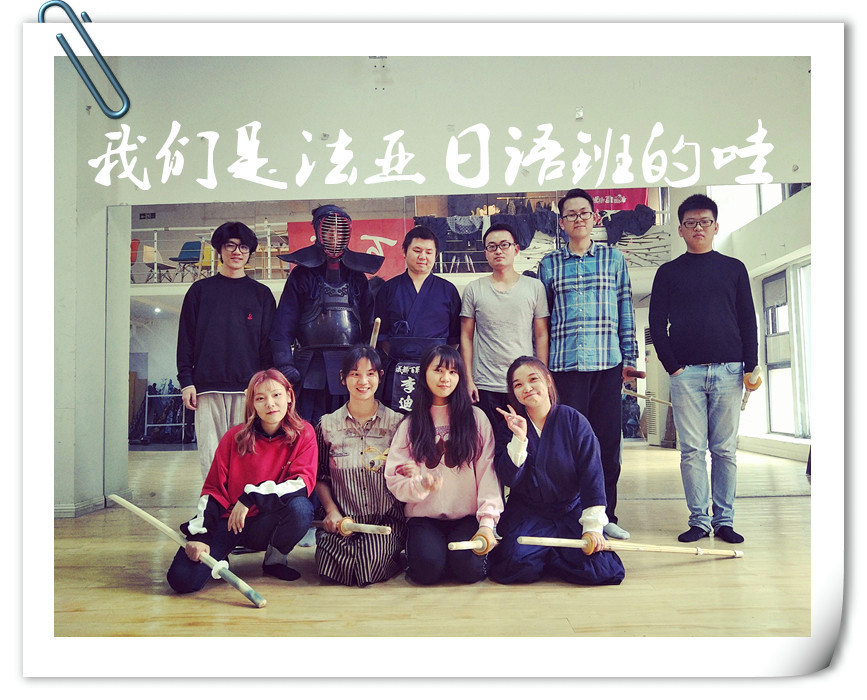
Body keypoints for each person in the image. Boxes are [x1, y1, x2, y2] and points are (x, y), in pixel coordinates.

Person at [648, 194, 758, 544]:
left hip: (730, 371)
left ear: (716, 226)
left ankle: (724, 520)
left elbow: (748, 319)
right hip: (687, 374)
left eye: (705, 222)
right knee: (692, 451)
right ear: (680, 229)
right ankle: (699, 520)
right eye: (691, 223)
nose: (699, 227)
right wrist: (672, 367)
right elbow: (656, 323)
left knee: (724, 450)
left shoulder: (734, 268)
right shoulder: (668, 272)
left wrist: (750, 365)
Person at [537, 188, 638, 540]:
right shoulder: (549, 264)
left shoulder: (614, 259)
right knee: (568, 445)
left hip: (607, 364)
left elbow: (625, 308)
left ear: (595, 218)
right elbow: (543, 321)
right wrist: (542, 369)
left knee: (607, 444)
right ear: (561, 222)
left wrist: (630, 358)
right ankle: (572, 514)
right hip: (564, 368)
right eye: (570, 214)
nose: (578, 219)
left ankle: (606, 514)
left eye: (584, 213)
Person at [166, 369, 317, 593]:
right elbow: (213, 490)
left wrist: (250, 497)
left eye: (276, 395)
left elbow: (301, 483)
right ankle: (221, 552)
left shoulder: (304, 434)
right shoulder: (234, 437)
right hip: (229, 522)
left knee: (301, 509)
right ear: (252, 403)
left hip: (267, 523)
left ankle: (275, 560)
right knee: (182, 580)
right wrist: (201, 535)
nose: (270, 404)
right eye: (260, 398)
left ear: (289, 396)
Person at [488, 356, 625, 585]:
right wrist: (520, 439)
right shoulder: (509, 427)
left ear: (548, 380)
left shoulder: (574, 421)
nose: (527, 388)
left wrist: (592, 528)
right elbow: (509, 477)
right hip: (528, 512)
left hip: (570, 510)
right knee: (516, 564)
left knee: (599, 568)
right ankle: (553, 555)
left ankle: (547, 555)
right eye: (518, 384)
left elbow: (592, 476)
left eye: (533, 379)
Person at [384, 345, 503, 585]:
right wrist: (420, 485)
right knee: (426, 571)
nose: (445, 378)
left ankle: (451, 559)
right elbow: (395, 478)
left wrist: (487, 524)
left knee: (469, 571)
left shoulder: (476, 419)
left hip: (467, 517)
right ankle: (437, 557)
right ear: (424, 373)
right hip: (424, 517)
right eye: (438, 370)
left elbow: (488, 474)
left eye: (452, 371)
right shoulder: (411, 424)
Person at [176, 221, 276, 480]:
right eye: (230, 245)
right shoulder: (199, 291)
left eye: (243, 247)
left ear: (250, 253)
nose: (237, 252)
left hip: (247, 390)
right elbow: (185, 339)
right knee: (211, 457)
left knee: (246, 456)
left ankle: (243, 504)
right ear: (219, 250)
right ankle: (212, 503)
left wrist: (265, 386)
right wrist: (186, 382)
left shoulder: (262, 295)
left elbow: (268, 346)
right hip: (207, 389)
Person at [270, 204, 383, 425]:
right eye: (329, 230)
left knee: (350, 426)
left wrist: (370, 366)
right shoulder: (301, 276)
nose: (334, 236)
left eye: (340, 231)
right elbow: (282, 327)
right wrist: (285, 364)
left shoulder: (357, 278)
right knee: (310, 426)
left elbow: (369, 327)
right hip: (311, 366)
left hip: (351, 366)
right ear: (318, 232)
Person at [314, 345, 406, 586]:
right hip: (343, 520)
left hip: (385, 521)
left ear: (380, 376)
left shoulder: (398, 424)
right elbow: (320, 477)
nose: (363, 381)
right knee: (328, 568)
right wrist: (332, 511)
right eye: (355, 374)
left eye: (370, 373)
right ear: (343, 378)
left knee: (368, 564)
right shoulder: (327, 425)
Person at [460, 222, 549, 428]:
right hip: (485, 384)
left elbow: (541, 335)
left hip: (524, 384)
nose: (498, 251)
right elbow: (466, 336)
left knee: (524, 439)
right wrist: (468, 380)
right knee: (487, 440)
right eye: (492, 246)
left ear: (516, 249)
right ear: (485, 253)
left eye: (504, 245)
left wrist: (542, 376)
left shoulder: (534, 287)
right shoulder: (474, 289)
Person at [374, 226, 461, 414]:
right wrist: (401, 354)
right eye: (417, 250)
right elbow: (382, 337)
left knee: (435, 418)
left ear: (436, 255)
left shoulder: (448, 290)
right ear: (404, 252)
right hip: (399, 369)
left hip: (437, 371)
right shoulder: (388, 289)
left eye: (429, 252)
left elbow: (454, 338)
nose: (423, 256)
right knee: (397, 420)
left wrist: (439, 363)